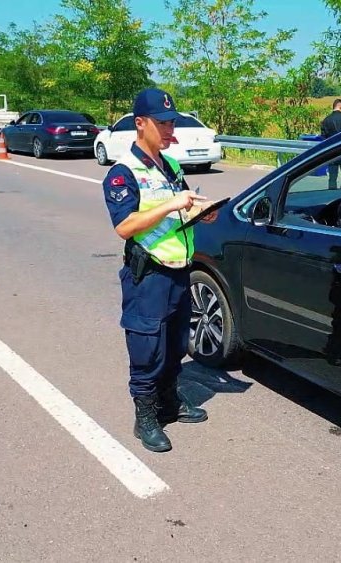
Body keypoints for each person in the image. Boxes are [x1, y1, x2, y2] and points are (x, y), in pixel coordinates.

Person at [101, 87, 218, 453]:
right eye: (164, 123)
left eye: (173, 123)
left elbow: (181, 207)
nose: (171, 130)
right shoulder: (124, 173)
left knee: (175, 343)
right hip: (149, 274)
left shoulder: (171, 166)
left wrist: (201, 211)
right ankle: (146, 415)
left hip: (179, 270)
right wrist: (170, 204)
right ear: (141, 123)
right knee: (147, 345)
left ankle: (170, 400)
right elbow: (125, 226)